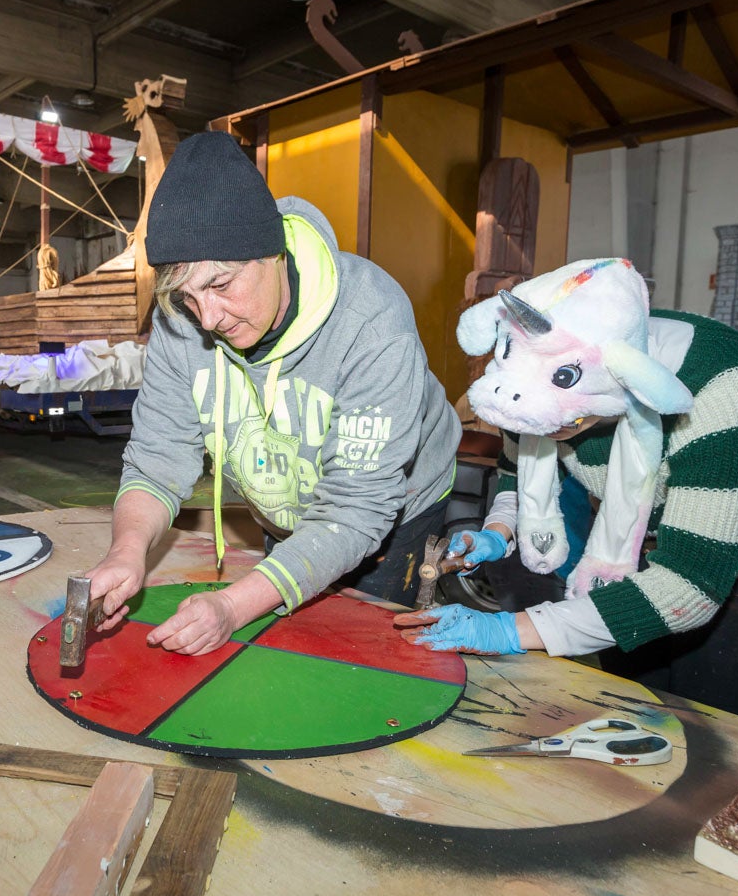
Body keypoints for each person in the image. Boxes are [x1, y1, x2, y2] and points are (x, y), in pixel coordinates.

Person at [401, 258, 738, 724]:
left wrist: (511, 630)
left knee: (718, 725)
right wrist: (499, 528)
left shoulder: (723, 385)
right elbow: (516, 468)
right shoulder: (530, 366)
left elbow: (690, 586)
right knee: (631, 709)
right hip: (637, 525)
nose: (551, 432)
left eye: (566, 421)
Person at [86, 131, 461, 656]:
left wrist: (233, 606)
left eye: (221, 285)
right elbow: (156, 460)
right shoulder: (182, 321)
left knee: (359, 652)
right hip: (283, 490)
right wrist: (127, 552)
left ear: (275, 253)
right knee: (281, 638)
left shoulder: (371, 320)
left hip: (389, 504)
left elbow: (353, 512)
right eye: (188, 297)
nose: (208, 318)